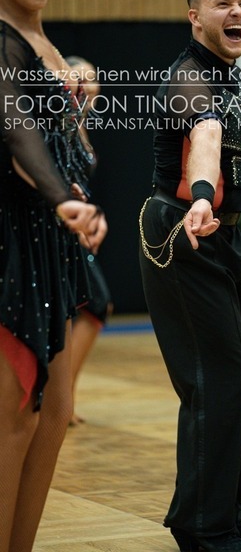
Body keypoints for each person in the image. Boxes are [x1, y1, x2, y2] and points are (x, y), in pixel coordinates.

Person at [139, 0, 241, 552]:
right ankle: (200, 526)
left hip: (222, 237)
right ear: (195, 17)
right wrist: (200, 195)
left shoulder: (229, 73)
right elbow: (206, 134)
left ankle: (226, 509)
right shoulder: (190, 77)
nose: (237, 11)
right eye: (223, 4)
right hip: (184, 232)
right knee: (218, 378)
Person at [0, 0, 107, 550]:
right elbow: (15, 131)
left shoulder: (44, 43)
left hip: (52, 243)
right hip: (12, 241)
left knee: (55, 412)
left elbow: (70, 146)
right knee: (16, 419)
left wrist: (77, 199)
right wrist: (62, 197)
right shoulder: (2, 43)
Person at [65, 56, 113, 427]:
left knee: (92, 305)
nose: (89, 87)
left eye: (93, 81)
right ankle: (59, 398)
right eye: (81, 80)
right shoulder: (59, 123)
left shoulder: (80, 124)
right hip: (59, 226)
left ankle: (62, 397)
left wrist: (94, 215)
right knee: (92, 304)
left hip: (77, 225)